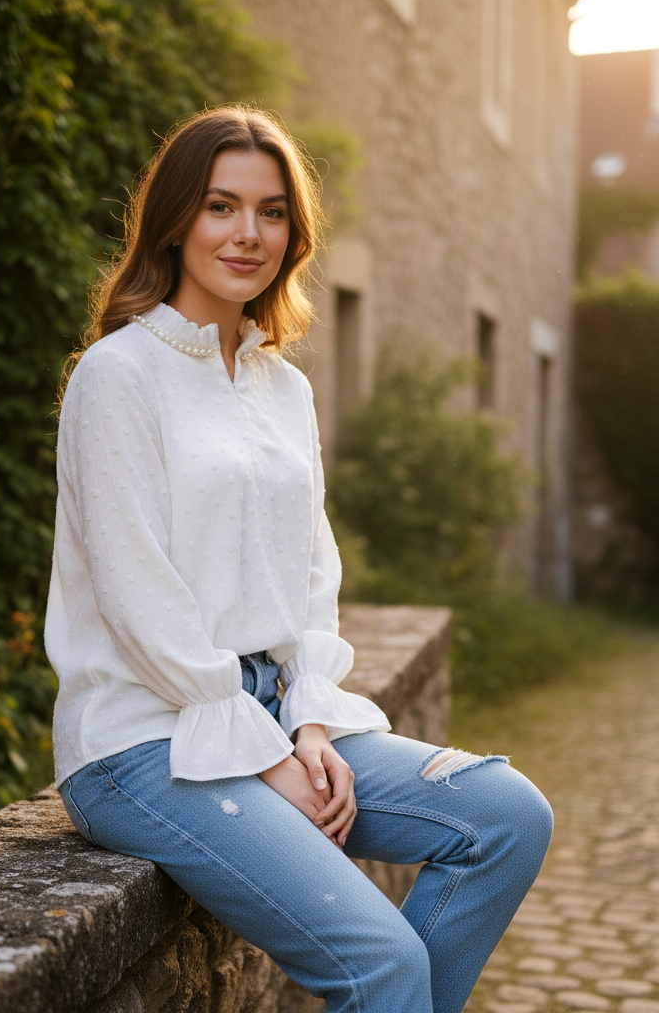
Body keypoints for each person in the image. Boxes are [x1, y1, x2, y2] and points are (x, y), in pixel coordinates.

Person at [45, 104, 553, 1013]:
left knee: (507, 818)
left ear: (294, 230)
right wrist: (256, 745)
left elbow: (312, 582)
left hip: (279, 716)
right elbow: (135, 597)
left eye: (272, 212)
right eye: (221, 206)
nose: (249, 234)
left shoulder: (285, 388)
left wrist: (310, 723)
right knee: (384, 966)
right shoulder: (117, 376)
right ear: (174, 220)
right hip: (145, 740)